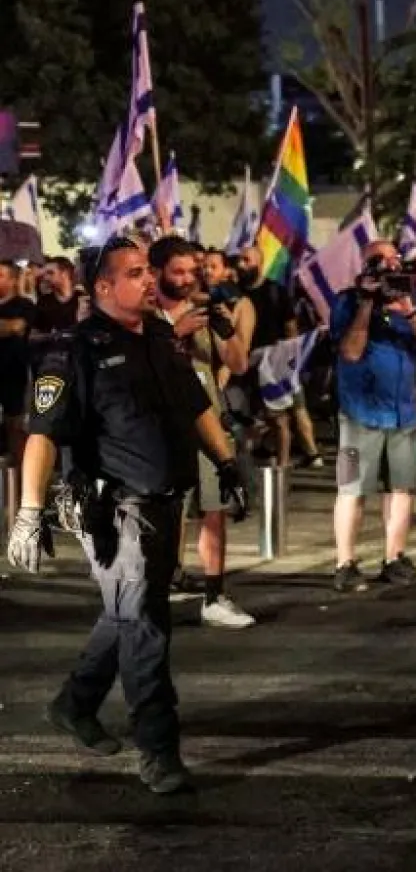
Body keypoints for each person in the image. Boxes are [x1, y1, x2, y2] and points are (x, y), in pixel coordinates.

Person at [5, 236, 248, 794]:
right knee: (145, 626)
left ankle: (75, 703)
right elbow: (42, 435)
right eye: (135, 272)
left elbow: (196, 405)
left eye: (147, 270)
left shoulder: (160, 335)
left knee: (126, 614)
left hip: (166, 504)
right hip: (117, 510)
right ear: (104, 287)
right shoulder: (73, 350)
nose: (149, 279)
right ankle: (158, 750)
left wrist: (226, 461)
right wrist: (28, 512)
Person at [150, 237, 257, 628]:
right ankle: (155, 592)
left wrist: (225, 328)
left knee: (215, 508)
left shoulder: (204, 309)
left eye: (190, 272)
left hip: (207, 422)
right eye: (177, 272)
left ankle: (214, 596)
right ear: (157, 272)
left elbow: (239, 364)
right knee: (161, 514)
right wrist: (176, 332)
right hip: (160, 429)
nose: (185, 279)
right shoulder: (144, 313)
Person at [328, 239, 416, 592]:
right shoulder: (347, 301)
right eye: (381, 260)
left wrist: (409, 311)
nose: (391, 265)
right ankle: (345, 563)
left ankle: (394, 558)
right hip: (358, 416)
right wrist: (367, 303)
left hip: (403, 416)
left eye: (395, 258)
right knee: (351, 488)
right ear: (366, 265)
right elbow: (350, 352)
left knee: (401, 488)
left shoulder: (411, 300)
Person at [235, 245, 320, 466]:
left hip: (278, 362)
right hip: (250, 363)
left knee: (290, 411)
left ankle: (298, 459)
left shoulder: (276, 291)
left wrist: (292, 358)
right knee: (265, 415)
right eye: (239, 260)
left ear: (260, 263)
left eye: (247, 260)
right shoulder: (236, 293)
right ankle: (271, 452)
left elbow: (290, 326)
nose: (241, 265)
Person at [0, 259, 37, 462]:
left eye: (0, 275)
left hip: (14, 375)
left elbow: (16, 327)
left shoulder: (24, 305)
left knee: (15, 427)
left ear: (14, 280)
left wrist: (10, 327)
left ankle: (22, 473)